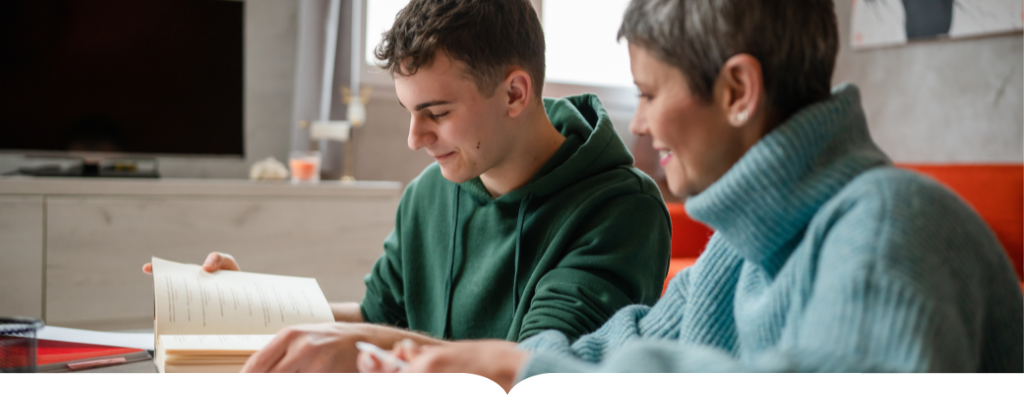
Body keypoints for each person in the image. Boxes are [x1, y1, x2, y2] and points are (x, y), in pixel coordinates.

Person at [357, 0, 1024, 387]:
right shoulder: (739, 252)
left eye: (648, 93)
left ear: (737, 91)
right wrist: (473, 361)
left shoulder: (888, 223)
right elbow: (616, 343)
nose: (639, 123)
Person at [143, 0, 671, 372]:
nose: (416, 138)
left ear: (514, 93)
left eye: (436, 113)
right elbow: (378, 317)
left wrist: (363, 344)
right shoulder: (428, 193)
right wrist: (255, 307)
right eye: (408, 112)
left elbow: (536, 371)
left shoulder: (621, 209)